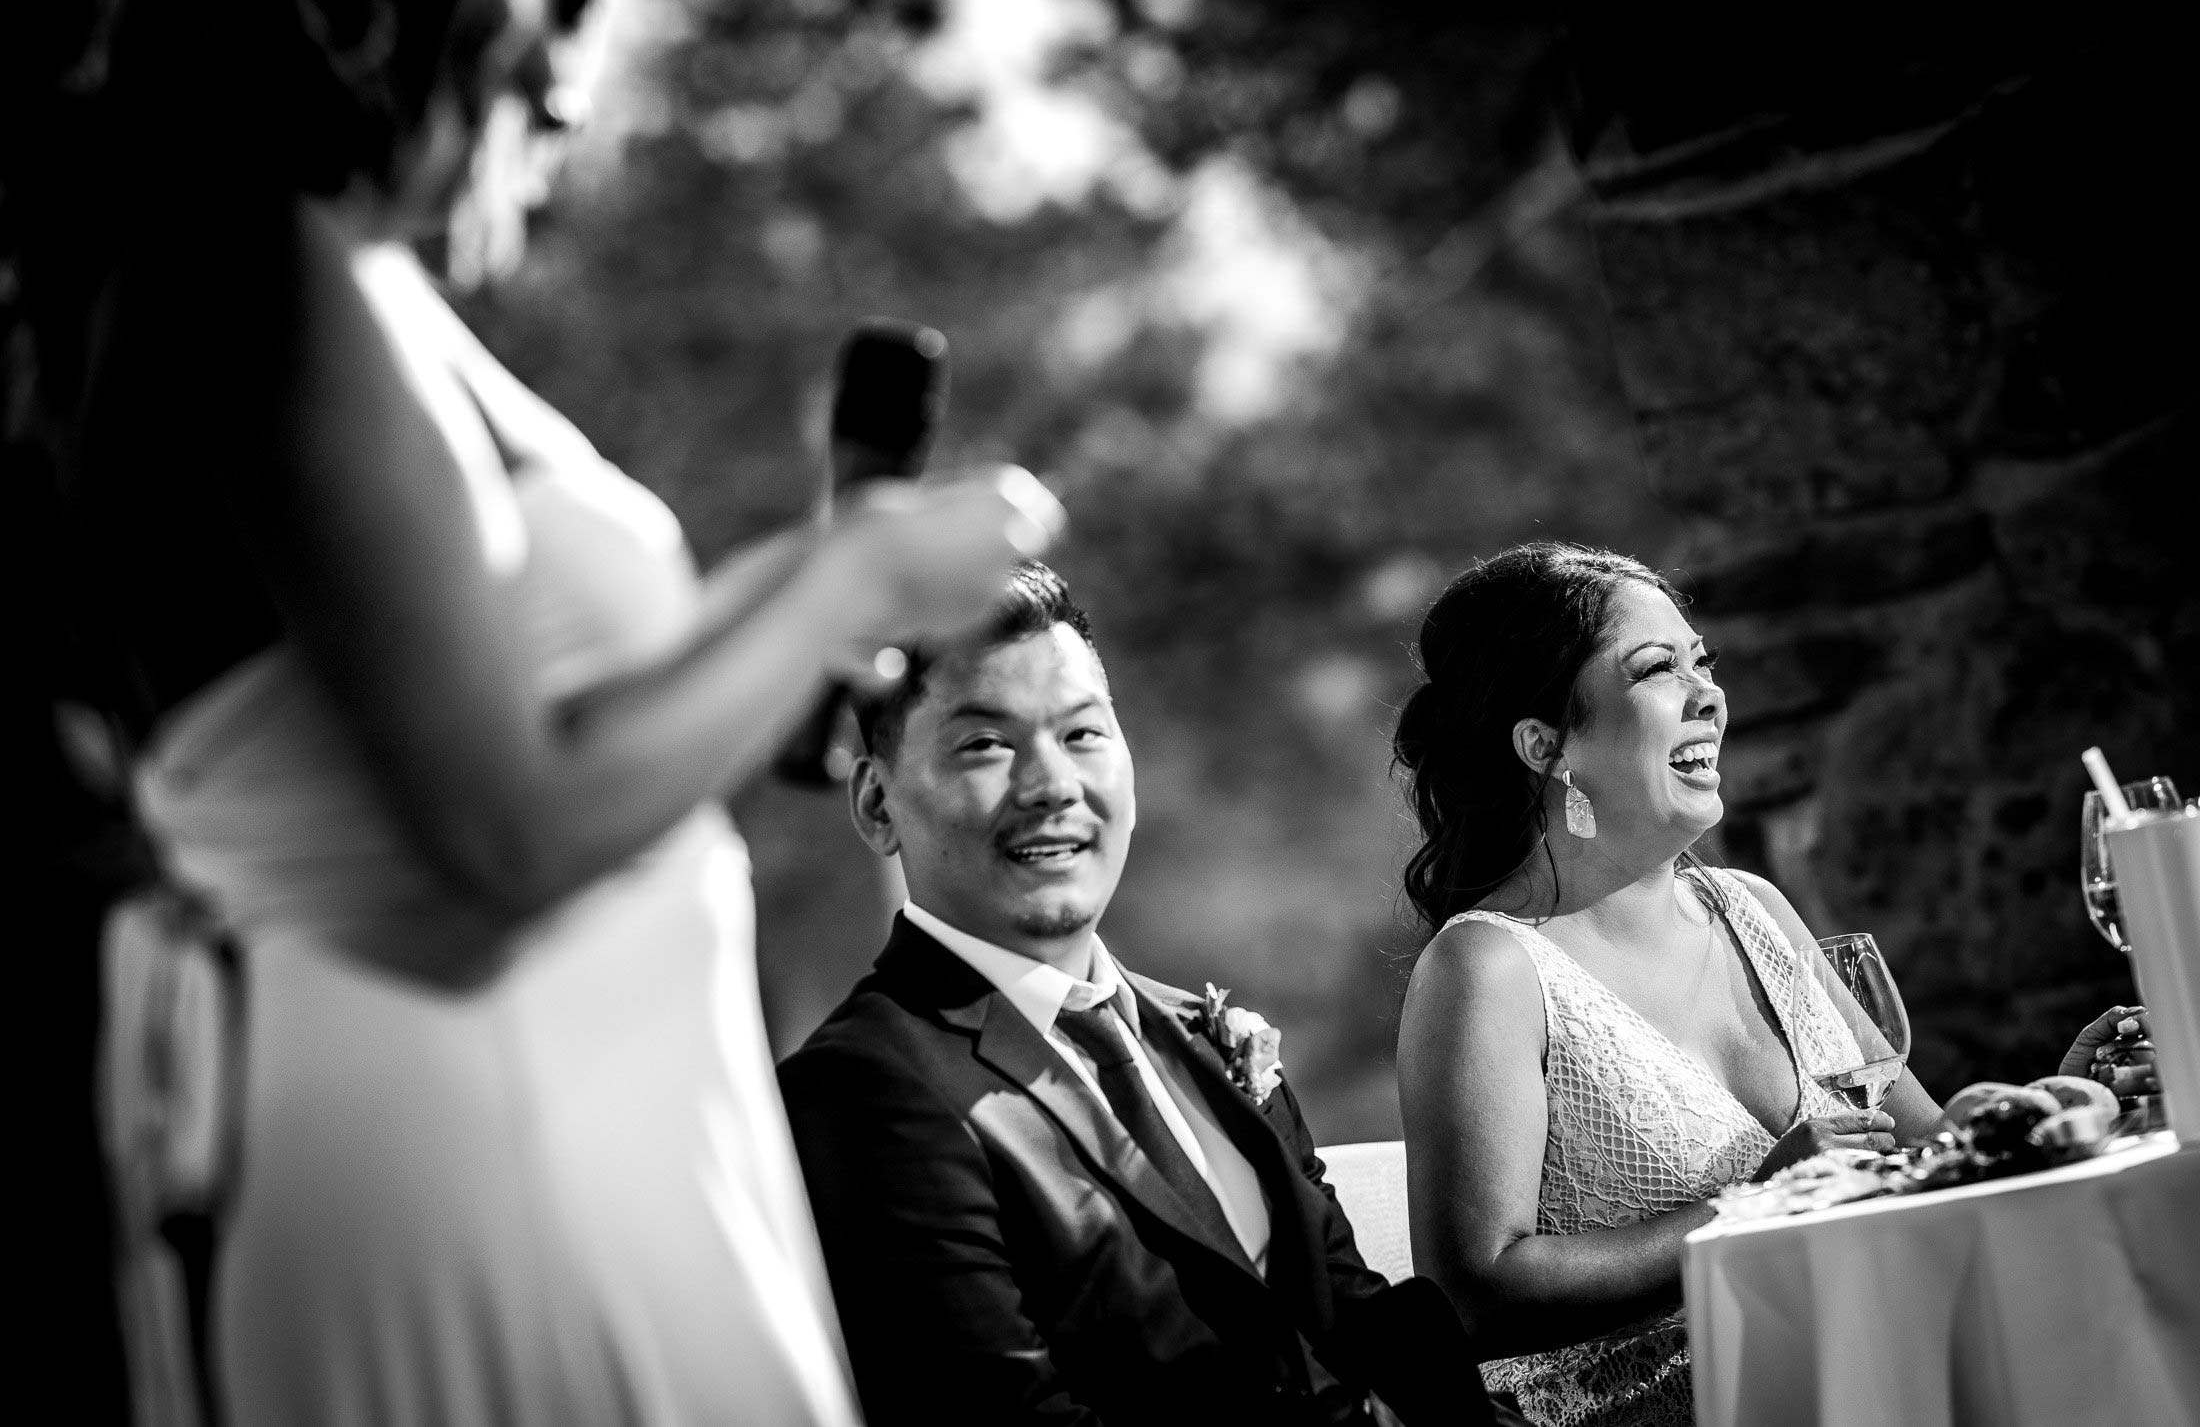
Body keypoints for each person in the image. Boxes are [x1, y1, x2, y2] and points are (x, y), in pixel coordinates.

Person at [26, 0, 1060, 1424]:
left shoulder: (347, 283)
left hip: (581, 1116)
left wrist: (808, 597)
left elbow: (546, 722)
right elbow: (507, 827)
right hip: (468, 1130)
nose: (567, 78)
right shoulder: (257, 263)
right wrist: (847, 581)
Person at [1390, 542, 2158, 1427]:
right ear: (1546, 744)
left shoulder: (1752, 908)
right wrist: (1755, 1206)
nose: (1708, 693)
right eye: (1657, 671)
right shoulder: (1487, 969)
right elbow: (1473, 1293)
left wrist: (2047, 1112)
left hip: (1865, 1363)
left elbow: (1920, 1154)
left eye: (1702, 662)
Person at [777, 563, 1513, 1427]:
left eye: (1083, 734)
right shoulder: (861, 1091)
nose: (1051, 785)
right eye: (985, 744)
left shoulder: (1202, 1033)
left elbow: (1353, 1315)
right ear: (875, 803)